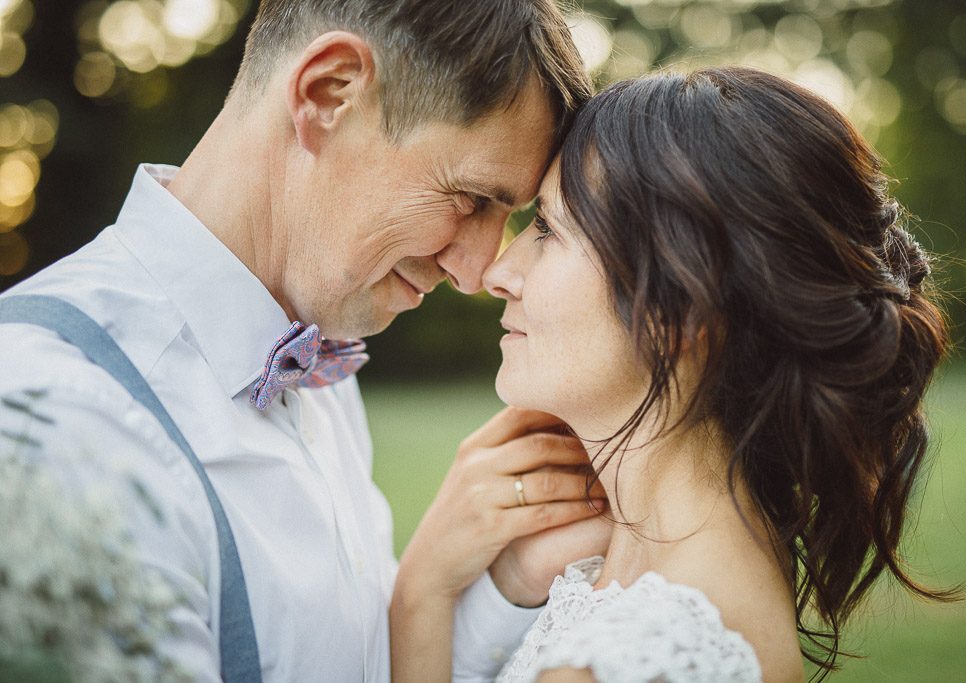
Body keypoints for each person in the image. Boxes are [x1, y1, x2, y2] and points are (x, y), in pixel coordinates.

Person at [0, 1, 607, 681]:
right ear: (328, 93)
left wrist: (492, 584)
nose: (475, 273)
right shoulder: (54, 424)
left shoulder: (316, 364)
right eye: (469, 199)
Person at [396, 67, 961, 682]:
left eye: (549, 228)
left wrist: (420, 592)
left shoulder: (620, 662)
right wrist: (442, 591)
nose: (497, 274)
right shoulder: (689, 561)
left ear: (681, 308)